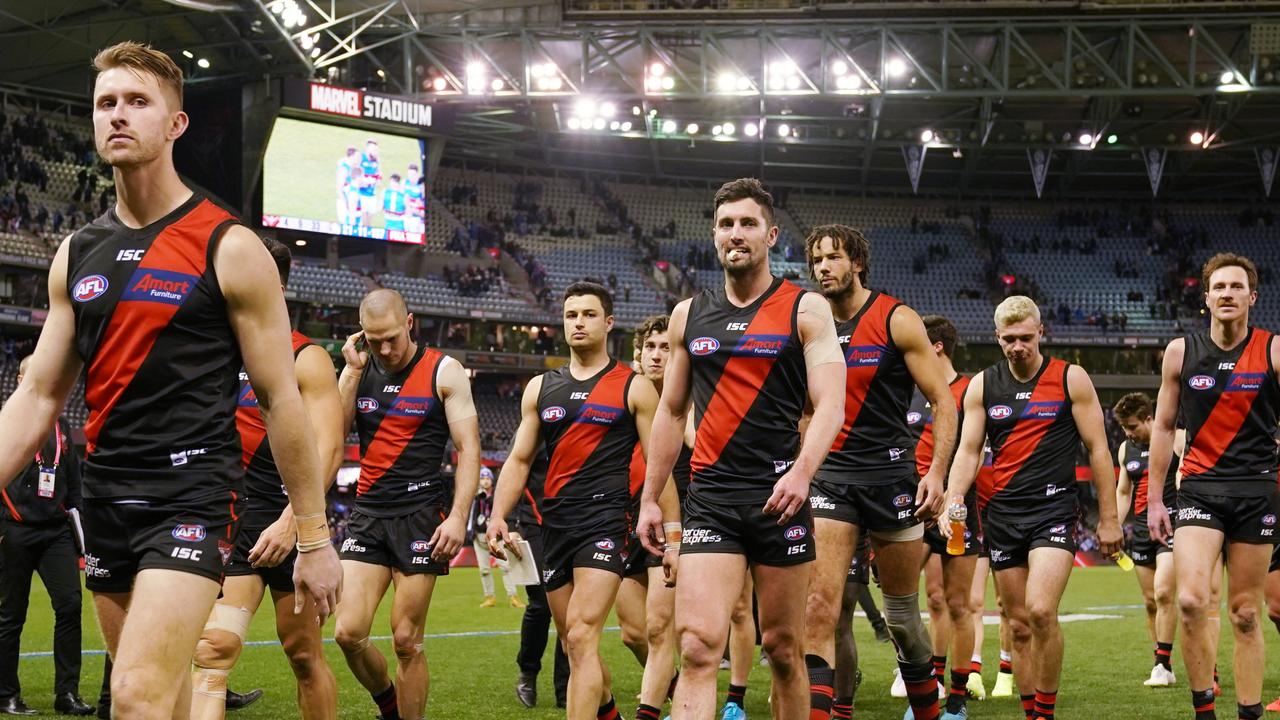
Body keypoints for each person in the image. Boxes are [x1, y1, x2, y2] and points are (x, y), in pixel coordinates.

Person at [0, 41, 342, 720]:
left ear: (175, 124)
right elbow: (39, 393)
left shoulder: (231, 247)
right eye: (105, 103)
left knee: (133, 696)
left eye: (137, 101)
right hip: (105, 498)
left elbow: (281, 400)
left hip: (190, 496)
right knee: (168, 699)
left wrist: (314, 534)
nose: (117, 116)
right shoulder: (76, 253)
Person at [635, 178, 847, 720]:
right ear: (713, 235)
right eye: (726, 224)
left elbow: (829, 407)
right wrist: (650, 497)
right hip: (712, 499)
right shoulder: (688, 315)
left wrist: (802, 473)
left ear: (771, 234)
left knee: (782, 650)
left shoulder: (807, 310)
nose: (736, 233)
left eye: (748, 223)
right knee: (699, 647)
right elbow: (672, 411)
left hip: (781, 500)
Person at [488, 282, 662, 720]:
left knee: (583, 635)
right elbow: (519, 459)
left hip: (605, 524)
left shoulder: (635, 387)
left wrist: (671, 533)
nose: (578, 322)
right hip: (555, 528)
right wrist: (497, 515)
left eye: (588, 314)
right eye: (571, 315)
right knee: (571, 639)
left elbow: (662, 467)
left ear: (608, 322)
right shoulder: (540, 388)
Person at [802, 225, 955, 720]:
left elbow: (944, 402)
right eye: (817, 260)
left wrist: (935, 474)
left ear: (858, 263)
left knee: (904, 620)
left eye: (834, 258)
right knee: (821, 609)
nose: (823, 267)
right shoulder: (808, 323)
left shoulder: (897, 319)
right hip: (830, 481)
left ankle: (926, 711)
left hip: (891, 482)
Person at [945, 295, 1123, 720]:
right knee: (1019, 623)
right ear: (997, 338)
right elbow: (968, 451)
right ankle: (1033, 714)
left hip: (1054, 511)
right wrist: (953, 497)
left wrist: (1111, 518)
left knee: (1042, 611)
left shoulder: (1070, 378)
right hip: (1002, 515)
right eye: (1009, 339)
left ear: (1041, 332)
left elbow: (1099, 449)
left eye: (1026, 337)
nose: (1017, 346)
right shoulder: (983, 385)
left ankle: (1045, 712)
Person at [187, 237, 343, 720]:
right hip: (231, 519)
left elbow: (329, 450)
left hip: (290, 525)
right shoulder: (215, 355)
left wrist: (292, 524)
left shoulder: (305, 357)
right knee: (213, 651)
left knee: (302, 656)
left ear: (271, 284)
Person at [335, 288, 480, 720]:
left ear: (410, 322)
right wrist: (350, 371)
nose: (385, 348)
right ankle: (388, 704)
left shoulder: (444, 370)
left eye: (392, 338)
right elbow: (335, 434)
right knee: (347, 633)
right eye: (374, 339)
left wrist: (458, 518)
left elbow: (468, 448)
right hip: (368, 515)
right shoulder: (360, 369)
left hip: (421, 518)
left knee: (405, 640)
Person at [1146, 253, 1280, 720]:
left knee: (1245, 613)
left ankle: (1249, 713)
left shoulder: (1274, 350)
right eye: (1218, 287)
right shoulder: (1181, 352)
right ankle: (1205, 711)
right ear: (1206, 298)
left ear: (1252, 297)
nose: (1227, 293)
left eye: (1236, 287)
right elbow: (1162, 428)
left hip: (1257, 492)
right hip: (1200, 488)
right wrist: (1155, 499)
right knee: (1189, 600)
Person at [0, 356, 92, 716]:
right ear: (21, 377)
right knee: (11, 615)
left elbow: (73, 488)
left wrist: (84, 539)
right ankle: (6, 693)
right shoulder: (7, 422)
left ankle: (66, 695)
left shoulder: (63, 426)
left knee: (70, 605)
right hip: (14, 530)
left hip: (55, 533)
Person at [905, 314, 981, 720]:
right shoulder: (914, 393)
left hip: (957, 510)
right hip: (914, 509)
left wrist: (953, 500)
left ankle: (956, 695)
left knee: (956, 603)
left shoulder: (969, 391)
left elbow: (975, 451)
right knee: (915, 598)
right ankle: (926, 684)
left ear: (935, 346)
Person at [619, 315, 685, 720]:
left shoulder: (689, 398)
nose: (658, 355)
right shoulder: (624, 396)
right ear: (638, 354)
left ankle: (648, 712)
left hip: (678, 518)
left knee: (660, 627)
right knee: (632, 633)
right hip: (627, 518)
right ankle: (678, 688)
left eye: (667, 347)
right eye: (651, 347)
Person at [1112, 392, 1182, 688]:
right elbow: (1124, 491)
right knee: (1150, 601)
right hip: (1140, 530)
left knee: (1165, 593)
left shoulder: (1176, 439)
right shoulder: (1126, 449)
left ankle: (1161, 665)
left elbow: (1184, 476)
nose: (1129, 433)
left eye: (1132, 426)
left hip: (1172, 525)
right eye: (1125, 429)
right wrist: (1113, 525)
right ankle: (1163, 658)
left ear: (1149, 418)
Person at [511, 450, 570, 709]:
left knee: (571, 608)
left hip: (575, 523)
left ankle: (566, 686)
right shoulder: (536, 421)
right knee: (541, 602)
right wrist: (508, 522)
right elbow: (516, 467)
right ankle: (528, 671)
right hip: (534, 523)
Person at [469, 467, 521, 608]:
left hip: (496, 537)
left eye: (487, 478)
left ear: (492, 480)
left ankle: (513, 596)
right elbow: (472, 515)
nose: (485, 481)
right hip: (479, 537)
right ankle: (489, 597)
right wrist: (471, 531)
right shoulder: (476, 497)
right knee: (484, 570)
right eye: (482, 478)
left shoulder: (498, 496)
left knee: (506, 567)